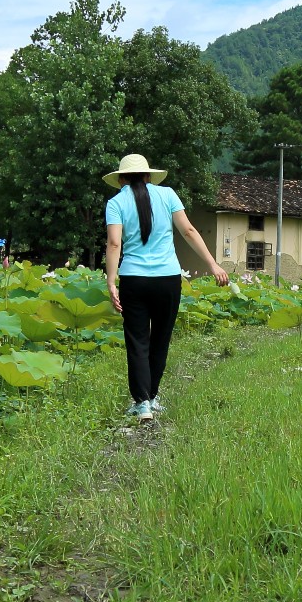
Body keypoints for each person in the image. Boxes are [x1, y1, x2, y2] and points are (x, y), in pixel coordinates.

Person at [103, 153, 228, 420]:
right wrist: (213, 265)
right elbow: (189, 231)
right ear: (148, 175)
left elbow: (114, 244)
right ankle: (153, 397)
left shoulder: (115, 203)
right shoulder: (168, 194)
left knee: (137, 341)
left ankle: (142, 403)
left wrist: (111, 281)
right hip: (168, 279)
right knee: (160, 338)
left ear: (122, 179)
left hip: (134, 280)